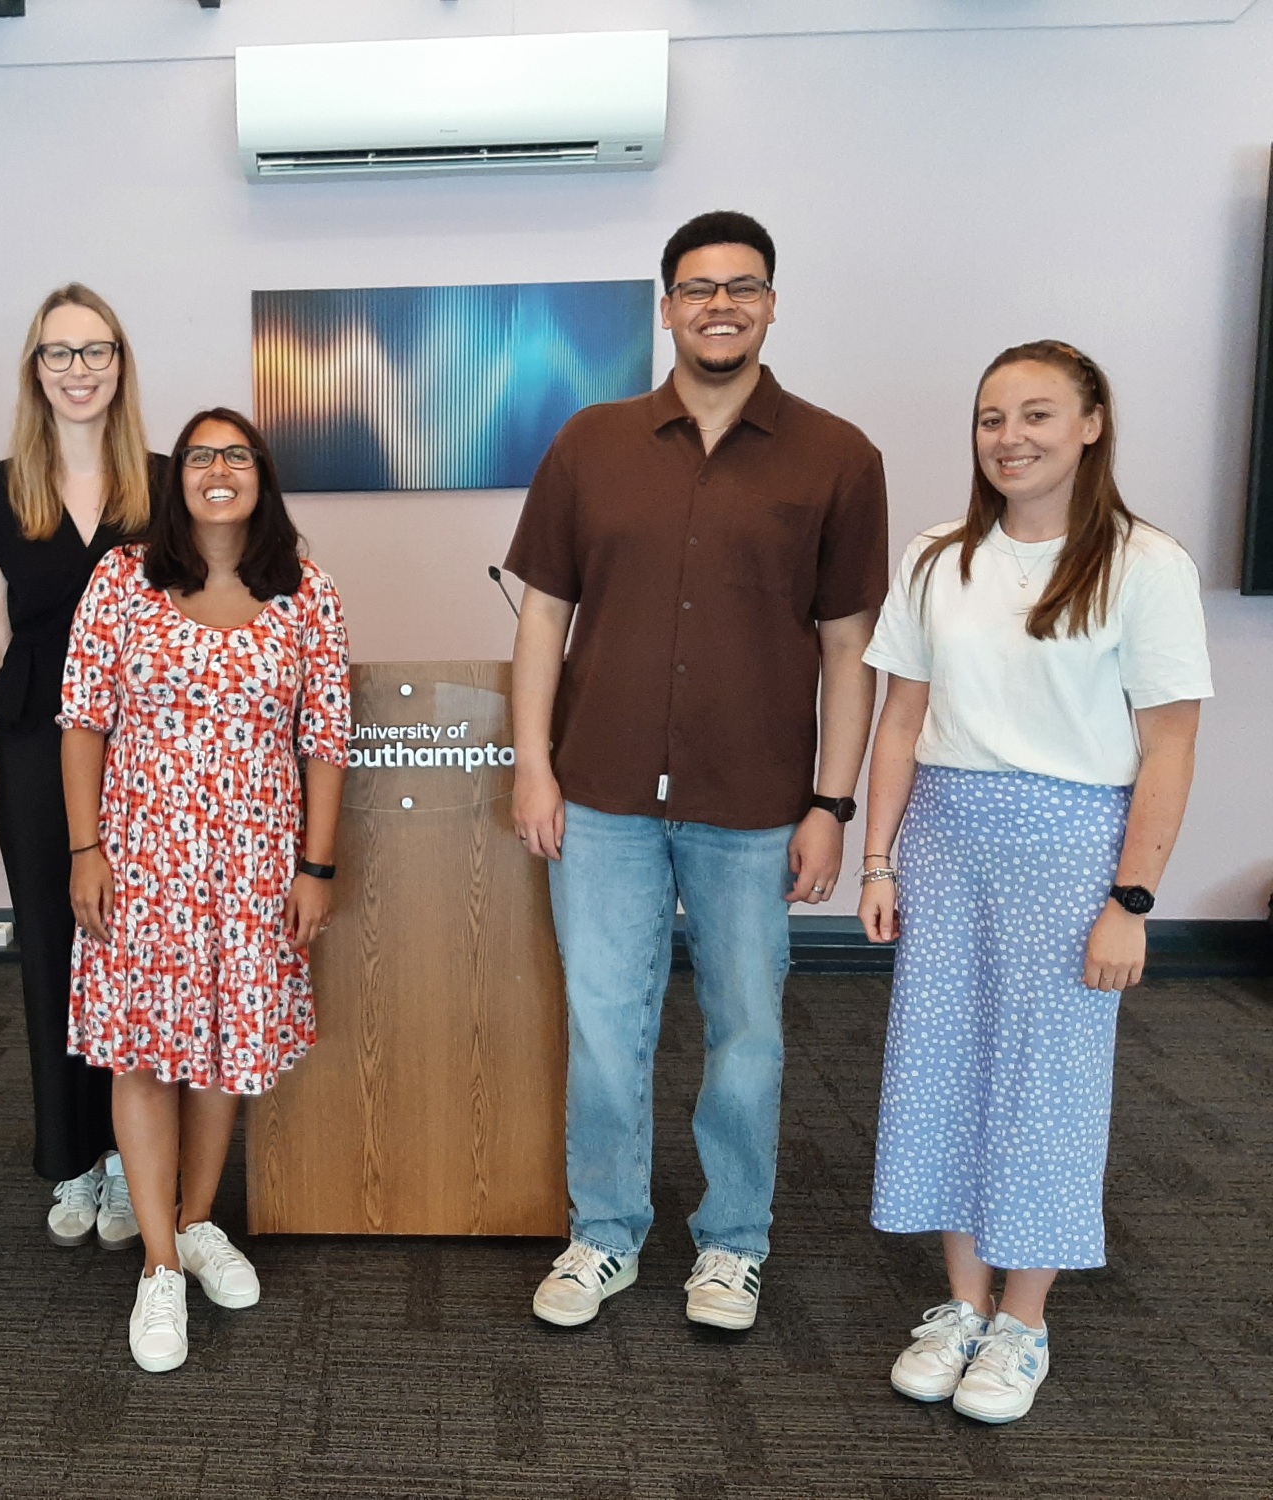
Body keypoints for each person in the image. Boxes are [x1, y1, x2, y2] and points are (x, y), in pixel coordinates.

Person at [505, 211, 889, 1334]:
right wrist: (534, 767)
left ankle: (732, 1243)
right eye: (699, 288)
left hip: (755, 804)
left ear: (771, 305)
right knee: (603, 1026)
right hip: (601, 794)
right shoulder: (591, 443)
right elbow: (543, 618)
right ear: (666, 307)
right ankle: (605, 1231)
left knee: (747, 1034)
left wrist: (830, 804)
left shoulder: (837, 457)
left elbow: (849, 649)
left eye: (743, 286)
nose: (721, 305)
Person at [858, 341, 1209, 1424]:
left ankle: (1022, 1321)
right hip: (947, 837)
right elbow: (900, 720)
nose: (1009, 438)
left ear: (1091, 425)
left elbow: (1169, 746)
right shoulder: (936, 557)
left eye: (1036, 415)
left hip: (1071, 847)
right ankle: (961, 1304)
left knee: (1045, 1082)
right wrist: (878, 857)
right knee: (942, 1069)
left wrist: (1130, 902)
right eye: (990, 418)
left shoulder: (1144, 564)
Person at [60, 408, 351, 1373]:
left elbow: (326, 740)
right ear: (176, 477)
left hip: (257, 868)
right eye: (199, 456)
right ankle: (157, 1266)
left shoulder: (306, 591)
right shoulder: (122, 579)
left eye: (237, 456)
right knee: (144, 1053)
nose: (218, 470)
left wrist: (316, 867)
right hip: (143, 861)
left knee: (228, 1051)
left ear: (262, 476)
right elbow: (82, 722)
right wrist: (86, 850)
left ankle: (194, 1223)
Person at [0, 284, 160, 1251]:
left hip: (152, 748)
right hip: (38, 736)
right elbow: (7, 633)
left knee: (136, 948)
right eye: (59, 353)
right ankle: (72, 1158)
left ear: (121, 364)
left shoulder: (167, 486)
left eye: (96, 350)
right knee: (52, 941)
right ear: (35, 371)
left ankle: (128, 1156)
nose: (79, 370)